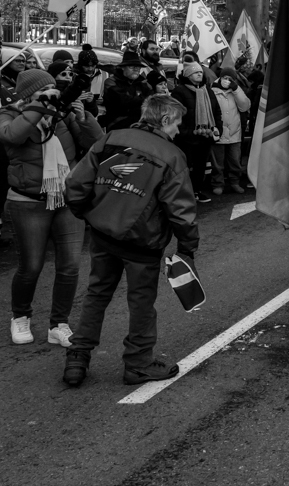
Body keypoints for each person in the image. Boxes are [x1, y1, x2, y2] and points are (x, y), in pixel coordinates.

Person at [61, 95, 199, 387]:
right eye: (177, 123)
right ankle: (137, 364)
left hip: (102, 233)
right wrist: (187, 248)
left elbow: (76, 183)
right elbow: (181, 210)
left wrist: (88, 213)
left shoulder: (111, 138)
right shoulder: (171, 155)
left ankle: (78, 356)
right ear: (164, 121)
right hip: (142, 241)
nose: (178, 130)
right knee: (141, 304)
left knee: (97, 294)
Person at [0, 69, 103, 346]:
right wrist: (40, 106)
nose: (53, 96)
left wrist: (85, 117)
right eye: (44, 92)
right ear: (27, 96)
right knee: (30, 267)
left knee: (69, 266)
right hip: (27, 202)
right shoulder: (9, 115)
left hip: (66, 200)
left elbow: (97, 145)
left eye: (54, 91)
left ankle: (59, 324)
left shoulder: (62, 116)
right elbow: (12, 137)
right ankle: (20, 316)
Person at [171, 62, 221, 203]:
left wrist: (217, 129)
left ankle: (197, 191)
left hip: (205, 136)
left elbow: (217, 112)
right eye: (195, 72)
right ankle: (185, 194)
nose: (200, 74)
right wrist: (186, 133)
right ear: (187, 75)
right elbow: (176, 115)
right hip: (187, 138)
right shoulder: (179, 92)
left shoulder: (208, 91)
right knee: (185, 167)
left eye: (200, 72)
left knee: (200, 166)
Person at [210, 68, 250, 195]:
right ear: (220, 78)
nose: (227, 81)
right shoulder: (212, 90)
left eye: (230, 79)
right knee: (218, 162)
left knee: (234, 161)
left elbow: (245, 106)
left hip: (234, 131)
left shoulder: (236, 91)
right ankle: (218, 184)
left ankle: (235, 182)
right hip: (219, 132)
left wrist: (236, 89)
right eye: (225, 78)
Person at [103, 50, 152, 131]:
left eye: (138, 67)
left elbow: (152, 99)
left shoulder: (143, 82)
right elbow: (123, 101)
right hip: (117, 126)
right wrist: (142, 100)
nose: (136, 69)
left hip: (140, 124)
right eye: (132, 67)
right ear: (123, 67)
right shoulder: (111, 82)